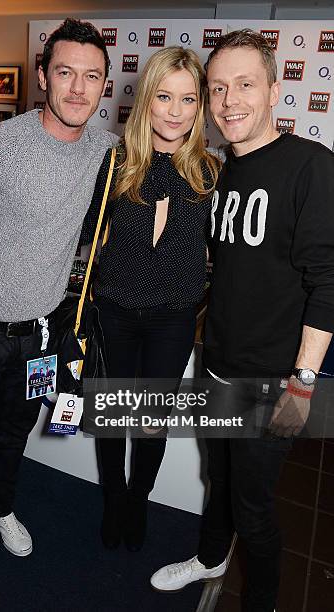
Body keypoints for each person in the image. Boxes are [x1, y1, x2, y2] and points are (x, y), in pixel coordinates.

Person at [150, 29, 334, 612]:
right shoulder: (220, 170)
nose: (230, 101)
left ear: (275, 90)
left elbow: (328, 283)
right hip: (218, 366)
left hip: (272, 381)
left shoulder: (311, 166)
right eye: (219, 88)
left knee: (254, 510)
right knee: (219, 483)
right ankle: (209, 558)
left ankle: (259, 601)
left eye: (245, 85)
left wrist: (303, 382)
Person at [0, 17, 117, 557]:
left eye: (91, 76)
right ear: (43, 75)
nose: (78, 88)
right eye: (66, 72)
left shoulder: (103, 151)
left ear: (104, 84)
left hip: (39, 337)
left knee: (15, 434)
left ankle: (1, 507)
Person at [82, 46, 220, 552]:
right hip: (114, 312)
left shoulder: (212, 171)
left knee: (150, 421)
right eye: (165, 96)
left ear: (200, 106)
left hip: (173, 318)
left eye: (188, 99)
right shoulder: (114, 163)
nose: (176, 110)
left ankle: (138, 498)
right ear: (146, 101)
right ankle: (114, 498)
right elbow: (84, 235)